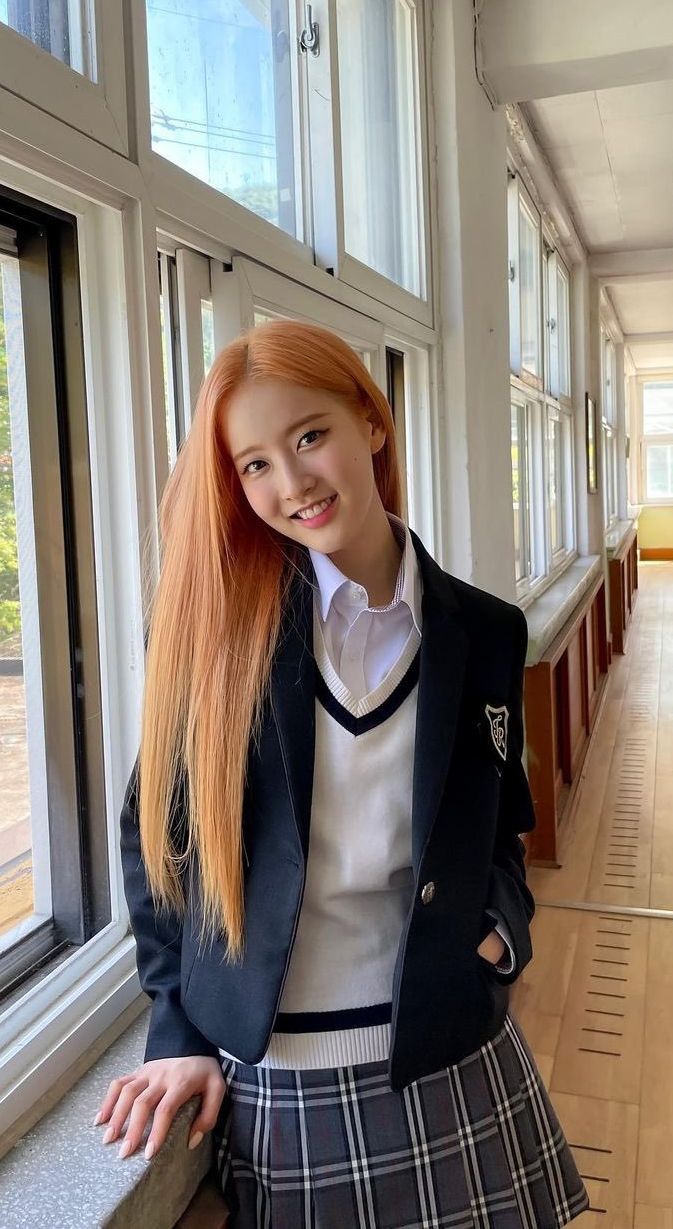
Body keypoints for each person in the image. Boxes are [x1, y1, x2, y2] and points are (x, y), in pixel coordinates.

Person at [97, 319, 590, 1227]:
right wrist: (176, 1030)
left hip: (453, 1047)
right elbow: (155, 843)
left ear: (371, 421)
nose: (292, 484)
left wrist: (498, 935)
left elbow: (503, 827)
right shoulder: (218, 637)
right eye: (254, 464)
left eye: (310, 435)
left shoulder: (484, 630)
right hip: (281, 1081)